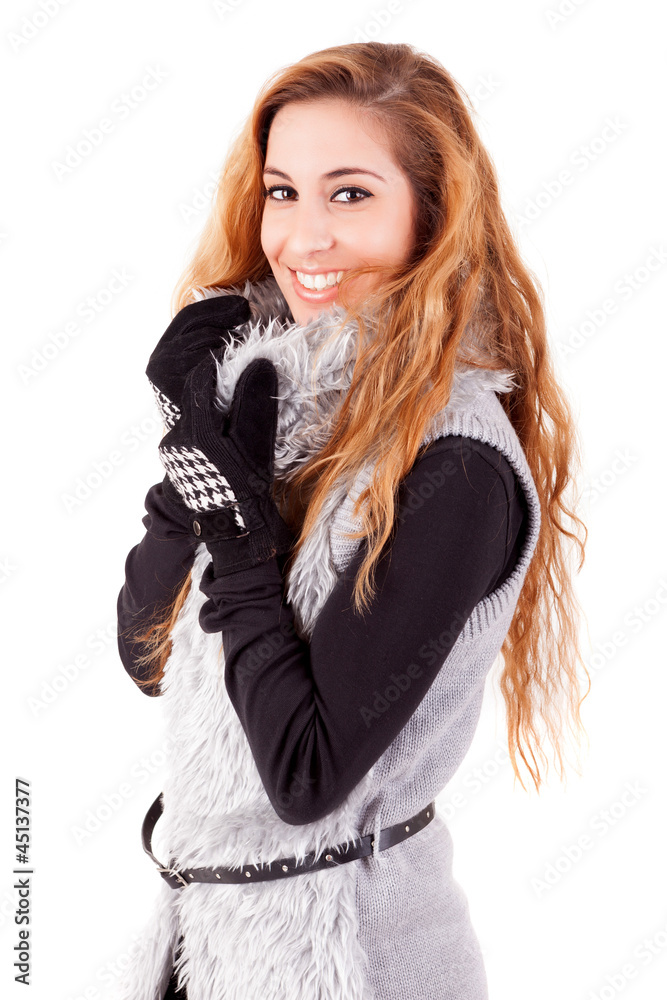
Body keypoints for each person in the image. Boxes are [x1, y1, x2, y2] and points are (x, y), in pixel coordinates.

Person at [113, 41, 588, 1000]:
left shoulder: (455, 466)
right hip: (207, 949)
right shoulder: (283, 416)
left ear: (431, 218)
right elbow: (149, 658)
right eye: (282, 192)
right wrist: (189, 465)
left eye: (350, 194)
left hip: (346, 960)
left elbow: (305, 776)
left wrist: (240, 539)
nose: (303, 238)